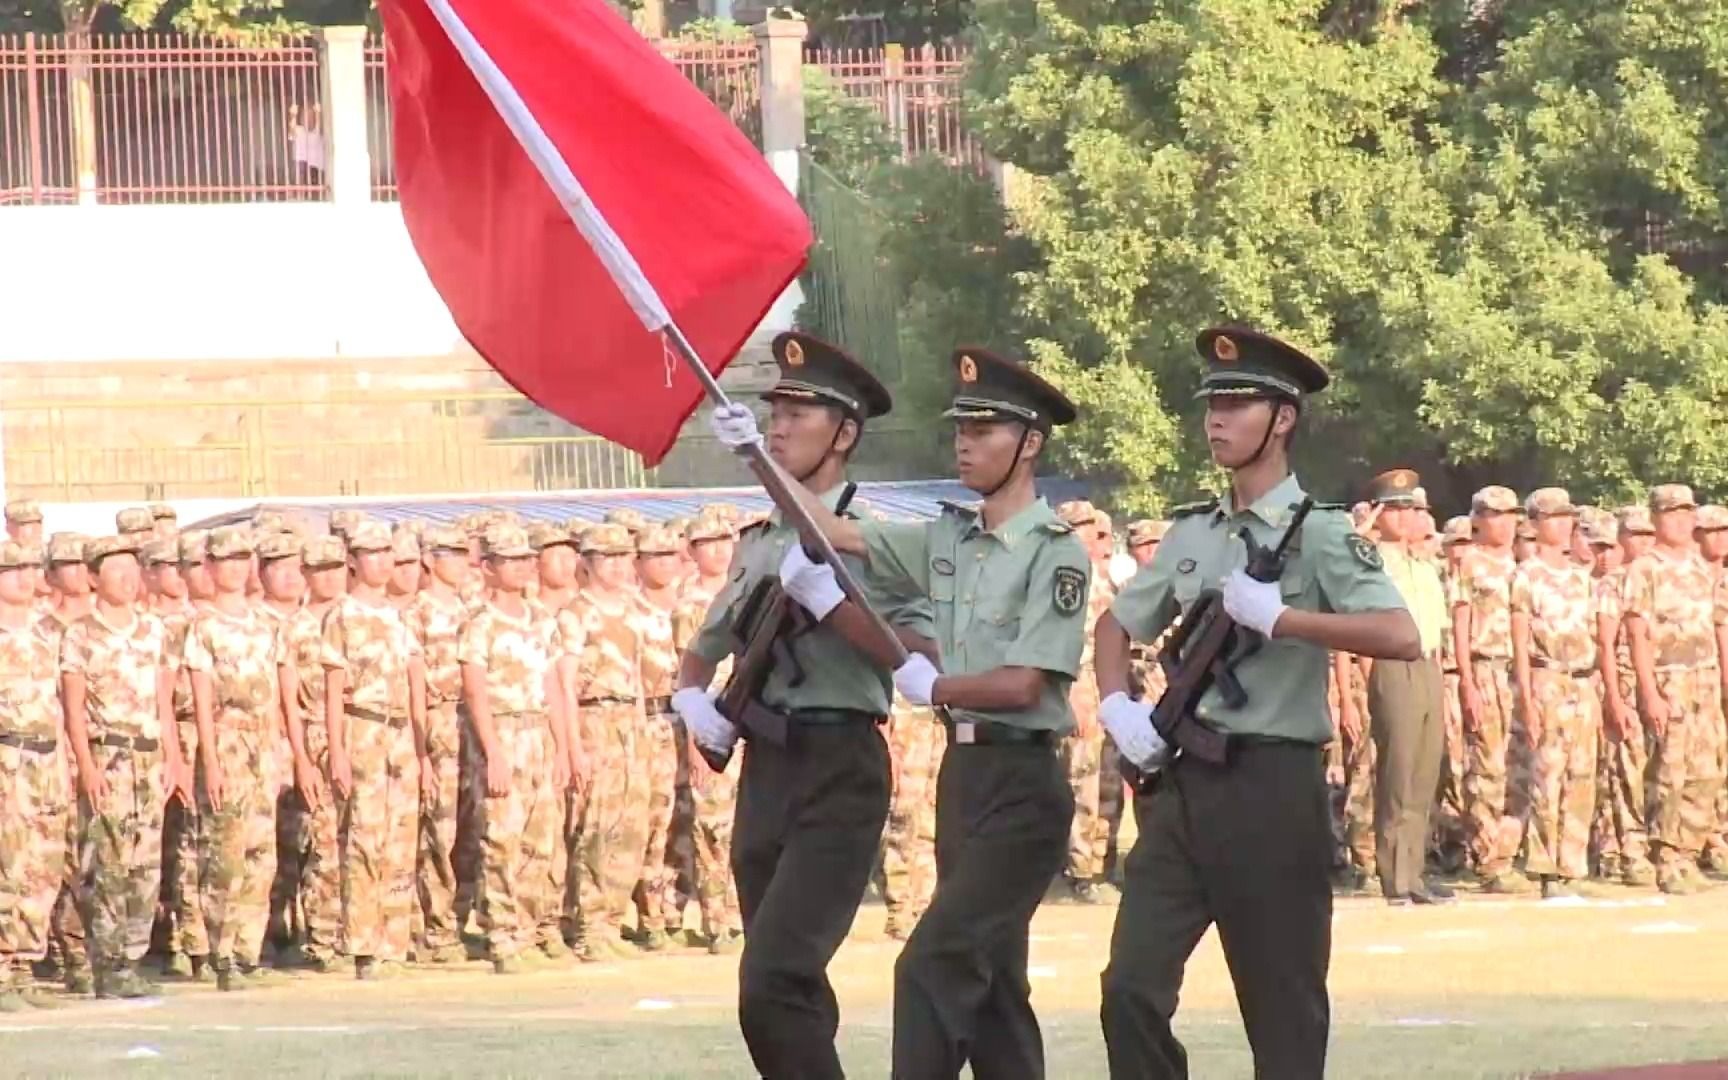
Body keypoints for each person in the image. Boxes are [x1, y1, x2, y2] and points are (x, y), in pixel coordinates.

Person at [713, 343, 1085, 1078]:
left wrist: (935, 686)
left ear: (1030, 445)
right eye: (960, 430)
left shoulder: (1056, 552)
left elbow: (1026, 686)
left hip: (1024, 783)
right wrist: (758, 457)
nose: (964, 443)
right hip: (964, 776)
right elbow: (828, 530)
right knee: (993, 993)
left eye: (984, 431)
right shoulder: (945, 539)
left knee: (931, 967)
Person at [1090, 327, 1418, 1079]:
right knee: (1130, 990)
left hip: (1272, 788)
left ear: (1283, 419)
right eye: (1213, 404)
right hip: (1181, 789)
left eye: (1239, 404)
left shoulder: (1326, 536)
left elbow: (1401, 635)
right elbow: (1116, 624)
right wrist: (1118, 707)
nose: (1218, 419)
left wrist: (1284, 619)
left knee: (1283, 1011)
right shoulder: (1193, 533)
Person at [689, 332, 934, 1078]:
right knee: (785, 988)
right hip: (765, 767)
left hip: (839, 766)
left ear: (846, 433)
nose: (781, 425)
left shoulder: (877, 541)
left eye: (801, 412)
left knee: (773, 977)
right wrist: (688, 695)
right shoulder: (758, 537)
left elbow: (917, 656)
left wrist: (833, 605)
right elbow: (711, 639)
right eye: (777, 412)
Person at [61, 536, 191, 998]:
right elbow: (73, 709)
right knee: (108, 863)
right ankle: (108, 963)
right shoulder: (80, 634)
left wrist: (174, 759)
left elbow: (164, 702)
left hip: (149, 756)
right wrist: (85, 765)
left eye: (133, 571)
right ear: (94, 578)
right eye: (116, 571)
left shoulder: (154, 630)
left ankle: (132, 957)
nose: (127, 579)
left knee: (146, 864)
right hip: (108, 756)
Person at [459, 523, 577, 973]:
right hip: (503, 733)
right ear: (488, 568)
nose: (523, 566)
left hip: (539, 734)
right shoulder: (480, 623)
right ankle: (504, 936)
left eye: (527, 558)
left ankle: (528, 930)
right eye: (511, 560)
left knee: (540, 840)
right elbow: (475, 693)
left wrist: (563, 748)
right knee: (501, 839)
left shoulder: (541, 620)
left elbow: (552, 686)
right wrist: (493, 754)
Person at [321, 521, 429, 978]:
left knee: (402, 839)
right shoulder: (341, 615)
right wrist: (337, 751)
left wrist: (422, 752)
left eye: (388, 553)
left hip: (401, 732)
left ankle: (394, 943)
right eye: (373, 553)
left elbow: (415, 681)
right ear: (354, 561)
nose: (383, 562)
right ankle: (364, 945)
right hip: (362, 728)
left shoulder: (401, 614)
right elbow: (333, 688)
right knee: (365, 839)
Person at [184, 526, 290, 989]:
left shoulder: (268, 624)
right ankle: (220, 952)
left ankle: (248, 950)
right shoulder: (203, 626)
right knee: (224, 853)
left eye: (241, 558)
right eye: (224, 560)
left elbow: (282, 696)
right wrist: (210, 759)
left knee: (261, 852)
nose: (233, 567)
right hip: (227, 740)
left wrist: (285, 749)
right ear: (209, 567)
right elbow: (202, 699)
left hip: (264, 744)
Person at [1622, 485, 1723, 895]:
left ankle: (1689, 850)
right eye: (1672, 512)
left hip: (1705, 677)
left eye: (1687, 511)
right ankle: (1666, 856)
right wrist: (1649, 691)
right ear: (1656, 518)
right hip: (1669, 678)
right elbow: (1636, 631)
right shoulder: (1645, 567)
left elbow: (1716, 626)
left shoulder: (1702, 567)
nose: (1681, 519)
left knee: (1708, 771)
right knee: (1670, 772)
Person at [1363, 468, 1452, 905]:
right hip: (1393, 665)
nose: (1405, 517)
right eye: (1395, 509)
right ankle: (1393, 877)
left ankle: (1413, 874)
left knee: (1423, 773)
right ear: (1379, 513)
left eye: (1411, 509)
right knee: (1397, 771)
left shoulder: (1426, 565)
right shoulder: (1371, 560)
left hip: (1429, 666)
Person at [1510, 489, 1602, 899]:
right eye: (1554, 518)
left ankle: (1573, 865)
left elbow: (1595, 635)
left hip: (1583, 681)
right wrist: (1527, 699)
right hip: (1546, 679)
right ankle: (1546, 867)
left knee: (1582, 775)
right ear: (1534, 524)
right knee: (1546, 774)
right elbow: (1519, 641)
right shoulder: (1526, 575)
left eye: (1568, 517)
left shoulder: (1583, 576)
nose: (1564, 525)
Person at [0, 540, 70, 1012]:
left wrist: (65, 761)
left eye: (30, 568)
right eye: (13, 569)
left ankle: (25, 961)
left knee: (44, 863)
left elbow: (61, 703)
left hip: (46, 756)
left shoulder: (51, 632)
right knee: (7, 862)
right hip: (7, 755)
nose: (25, 577)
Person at [1453, 485, 1533, 893]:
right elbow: (1461, 625)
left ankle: (1510, 849)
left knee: (1522, 766)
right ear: (1478, 519)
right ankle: (1487, 859)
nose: (1504, 522)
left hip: (1523, 673)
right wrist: (1466, 680)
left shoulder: (1525, 564)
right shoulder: (1470, 563)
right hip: (1485, 669)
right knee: (1487, 766)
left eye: (1510, 514)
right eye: (1495, 514)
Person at [405, 525, 474, 964]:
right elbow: (412, 682)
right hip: (439, 718)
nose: (464, 561)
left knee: (469, 828)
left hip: (472, 719)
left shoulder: (470, 609)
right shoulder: (417, 612)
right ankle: (435, 926)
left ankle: (462, 916)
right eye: (454, 554)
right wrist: (422, 746)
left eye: (466, 554)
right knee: (439, 828)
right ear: (431, 559)